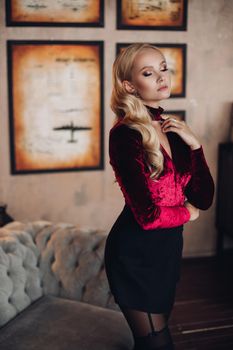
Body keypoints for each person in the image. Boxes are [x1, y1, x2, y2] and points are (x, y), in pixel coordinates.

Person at [104, 43, 215, 350]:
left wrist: (195, 145)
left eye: (163, 68)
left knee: (154, 341)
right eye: (148, 72)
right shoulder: (125, 134)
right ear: (130, 85)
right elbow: (147, 215)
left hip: (166, 251)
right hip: (134, 253)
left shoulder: (173, 128)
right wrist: (187, 214)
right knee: (156, 344)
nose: (161, 77)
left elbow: (203, 198)